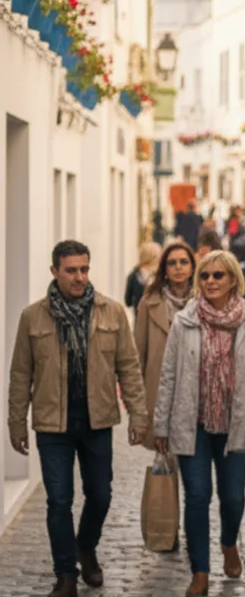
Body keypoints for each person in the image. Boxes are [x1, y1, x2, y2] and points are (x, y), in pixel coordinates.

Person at [7, 240, 149, 597]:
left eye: (84, 269)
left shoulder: (112, 312)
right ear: (55, 272)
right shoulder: (32, 317)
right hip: (52, 423)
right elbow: (20, 374)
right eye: (71, 270)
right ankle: (66, 575)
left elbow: (129, 368)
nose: (79, 277)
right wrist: (15, 423)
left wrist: (138, 415)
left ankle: (86, 545)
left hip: (97, 419)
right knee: (58, 500)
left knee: (100, 495)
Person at [153, 251, 245, 596]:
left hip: (236, 422)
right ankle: (200, 571)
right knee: (197, 496)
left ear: (232, 280)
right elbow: (168, 375)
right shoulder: (185, 321)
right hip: (192, 423)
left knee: (233, 498)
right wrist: (160, 426)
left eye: (218, 276)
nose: (210, 282)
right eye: (205, 276)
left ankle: (229, 542)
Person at [136, 241, 196, 460]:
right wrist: (137, 401)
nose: (178, 267)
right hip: (161, 387)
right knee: (164, 454)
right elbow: (138, 353)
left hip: (196, 389)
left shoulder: (205, 303)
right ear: (164, 269)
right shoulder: (149, 303)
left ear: (192, 267)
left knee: (194, 458)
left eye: (183, 262)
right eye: (172, 263)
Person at [125, 242, 161, 323]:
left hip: (139, 318)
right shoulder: (160, 275)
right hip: (157, 320)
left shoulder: (133, 275)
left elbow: (128, 301)